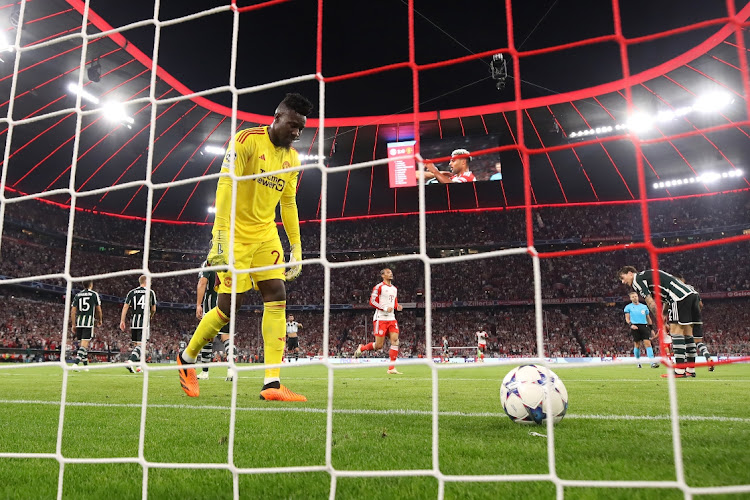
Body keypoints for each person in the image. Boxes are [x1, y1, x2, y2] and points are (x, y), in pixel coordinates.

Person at [177, 93, 313, 401]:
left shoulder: (293, 159)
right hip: (236, 234)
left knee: (277, 295)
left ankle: (272, 383)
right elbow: (225, 184)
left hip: (266, 234)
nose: (296, 133)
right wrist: (220, 236)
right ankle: (186, 360)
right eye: (293, 125)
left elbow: (288, 203)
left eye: (301, 129)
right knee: (228, 309)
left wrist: (296, 248)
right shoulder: (246, 140)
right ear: (277, 117)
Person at [618, 266, 701, 378]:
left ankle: (680, 371)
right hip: (691, 295)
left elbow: (650, 302)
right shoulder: (647, 275)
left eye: (623, 278)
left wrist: (659, 320)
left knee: (676, 332)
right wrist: (663, 314)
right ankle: (690, 369)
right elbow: (666, 297)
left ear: (630, 273)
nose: (623, 282)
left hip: (678, 298)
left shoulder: (637, 280)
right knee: (688, 334)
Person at [354, 268, 404, 374]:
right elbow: (372, 302)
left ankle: (391, 368)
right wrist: (385, 308)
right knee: (378, 346)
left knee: (395, 341)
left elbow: (394, 301)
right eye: (388, 273)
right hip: (380, 318)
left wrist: (397, 306)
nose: (390, 274)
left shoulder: (394, 289)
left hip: (391, 318)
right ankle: (362, 348)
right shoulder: (378, 287)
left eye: (391, 272)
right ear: (382, 275)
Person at [196, 258, 235, 381]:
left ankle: (205, 372)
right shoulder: (231, 262)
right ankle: (231, 371)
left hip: (211, 305)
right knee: (226, 337)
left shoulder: (208, 262)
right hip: (227, 303)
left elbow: (202, 282)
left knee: (207, 337)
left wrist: (198, 304)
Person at [674, 274, 714, 372]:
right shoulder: (692, 289)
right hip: (696, 319)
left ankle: (685, 368)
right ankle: (708, 357)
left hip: (684, 320)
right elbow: (700, 304)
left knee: (684, 343)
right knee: (698, 343)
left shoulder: (677, 291)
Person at [120, 275, 157, 373]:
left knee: (138, 345)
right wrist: (150, 316)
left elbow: (125, 307)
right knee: (141, 345)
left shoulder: (131, 292)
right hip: (144, 321)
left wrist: (122, 320)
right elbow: (153, 309)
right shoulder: (150, 292)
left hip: (134, 321)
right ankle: (130, 361)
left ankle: (139, 367)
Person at [70, 280, 102, 371]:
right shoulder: (94, 294)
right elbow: (98, 310)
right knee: (84, 345)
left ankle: (85, 365)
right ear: (91, 285)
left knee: (82, 345)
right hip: (88, 322)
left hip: (79, 322)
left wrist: (73, 324)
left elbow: (73, 311)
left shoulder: (78, 295)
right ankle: (75, 364)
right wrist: (100, 320)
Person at [623, 291, 659, 368]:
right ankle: (638, 362)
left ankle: (652, 363)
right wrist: (631, 325)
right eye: (632, 297)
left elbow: (648, 318)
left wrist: (651, 329)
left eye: (635, 296)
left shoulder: (644, 307)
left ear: (638, 297)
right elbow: (627, 318)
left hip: (644, 326)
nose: (634, 298)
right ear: (630, 298)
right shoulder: (628, 307)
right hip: (635, 326)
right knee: (637, 345)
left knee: (648, 344)